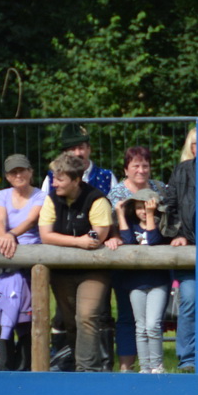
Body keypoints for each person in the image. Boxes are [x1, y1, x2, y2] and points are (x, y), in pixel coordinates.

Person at [39, 152, 121, 372]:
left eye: (60, 179)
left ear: (76, 180)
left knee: (86, 316)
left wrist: (78, 241)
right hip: (62, 271)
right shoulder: (51, 199)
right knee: (70, 322)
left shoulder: (97, 199)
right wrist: (78, 241)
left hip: (93, 269)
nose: (54, 183)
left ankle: (88, 370)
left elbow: (97, 238)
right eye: (54, 178)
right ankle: (79, 365)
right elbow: (45, 235)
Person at [109, 146, 168, 372]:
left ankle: (156, 365)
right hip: (129, 271)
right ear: (126, 169)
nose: (141, 170)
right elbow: (118, 231)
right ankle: (132, 365)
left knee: (152, 323)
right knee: (132, 320)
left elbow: (160, 232)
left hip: (156, 274)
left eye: (145, 165)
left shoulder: (160, 189)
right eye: (135, 166)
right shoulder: (117, 194)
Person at [0, 154, 45, 371]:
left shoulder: (40, 195)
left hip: (31, 261)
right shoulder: (2, 195)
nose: (18, 175)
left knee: (27, 316)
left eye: (22, 170)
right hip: (6, 257)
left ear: (30, 172)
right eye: (13, 172)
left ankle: (26, 366)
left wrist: (11, 235)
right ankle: (5, 367)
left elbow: (31, 220)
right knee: (3, 312)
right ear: (7, 176)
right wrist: (3, 237)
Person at [117, 189, 171, 373]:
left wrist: (150, 215)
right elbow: (127, 241)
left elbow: (154, 240)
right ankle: (145, 367)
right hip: (135, 282)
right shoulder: (131, 225)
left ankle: (157, 366)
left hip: (158, 282)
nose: (142, 211)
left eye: (146, 206)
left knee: (153, 325)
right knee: (140, 327)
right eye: (139, 207)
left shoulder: (161, 225)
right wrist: (120, 214)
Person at [162, 128, 198, 371]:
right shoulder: (181, 171)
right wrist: (178, 235)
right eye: (196, 143)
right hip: (189, 250)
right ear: (190, 147)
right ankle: (187, 359)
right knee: (190, 299)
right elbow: (170, 206)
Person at [41, 125, 114, 196]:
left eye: (81, 148)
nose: (77, 153)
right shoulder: (52, 178)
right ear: (65, 153)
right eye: (72, 149)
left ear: (89, 149)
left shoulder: (107, 177)